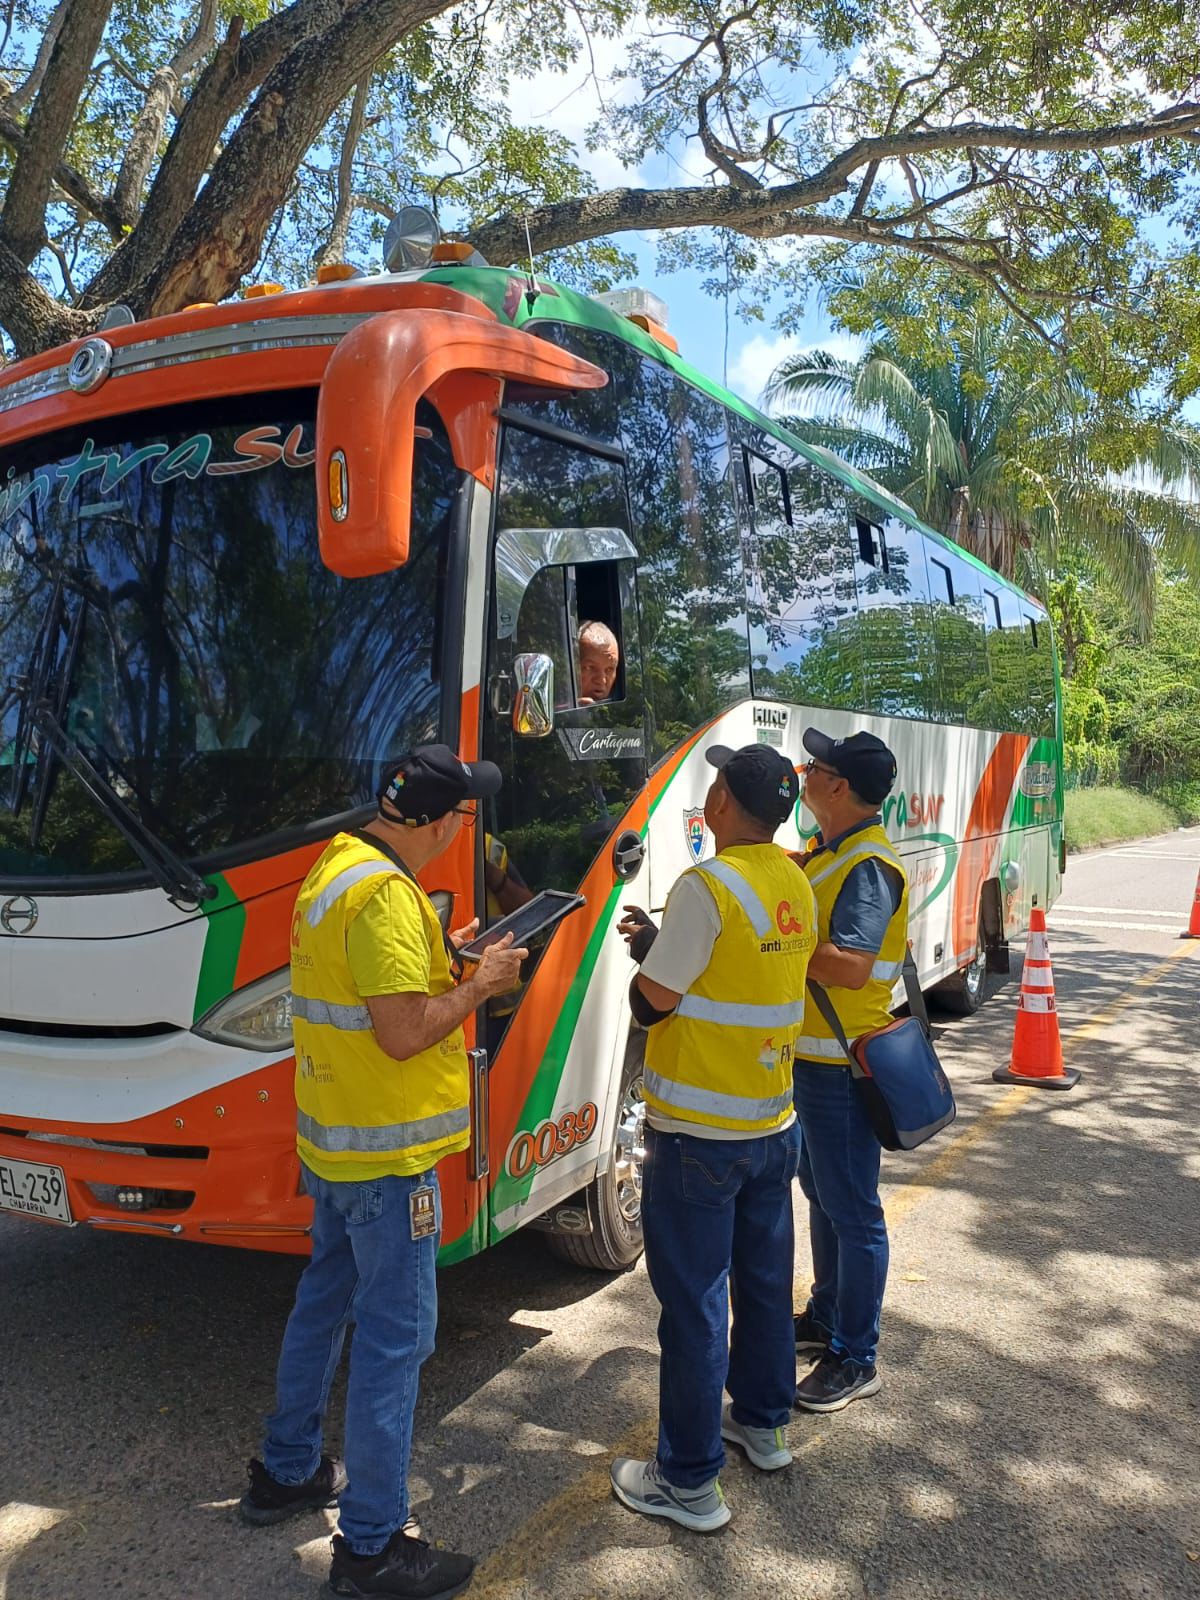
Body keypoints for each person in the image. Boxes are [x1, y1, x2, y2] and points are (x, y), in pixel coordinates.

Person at [239, 743, 526, 1600]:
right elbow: (403, 1031)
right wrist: (482, 986)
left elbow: (372, 995)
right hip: (388, 1162)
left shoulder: (338, 866)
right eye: (460, 819)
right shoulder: (387, 899)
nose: (457, 833)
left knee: (325, 1304)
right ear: (437, 821)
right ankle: (370, 1547)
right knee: (396, 1341)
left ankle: (287, 1470)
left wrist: (447, 958)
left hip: (336, 1144)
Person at [611, 743, 817, 1533]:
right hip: (771, 1122)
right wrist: (660, 945)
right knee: (764, 1285)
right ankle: (762, 1426)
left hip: (699, 1135)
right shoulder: (790, 879)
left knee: (694, 1305)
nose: (708, 793)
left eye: (715, 785)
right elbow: (736, 974)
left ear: (726, 804)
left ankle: (689, 1481)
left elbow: (652, 1005)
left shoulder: (706, 885)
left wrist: (645, 962)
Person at [790, 726, 908, 1416]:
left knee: (853, 1210)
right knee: (824, 1192)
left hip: (841, 1062)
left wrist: (775, 939)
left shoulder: (865, 864)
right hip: (815, 1058)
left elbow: (851, 964)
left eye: (813, 767)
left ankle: (856, 1356)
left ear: (837, 786)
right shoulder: (832, 851)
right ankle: (826, 1319)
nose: (804, 775)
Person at [576, 619, 620, 705]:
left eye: (609, 669)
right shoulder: (550, 710)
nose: (601, 680)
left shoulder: (622, 712)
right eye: (590, 667)